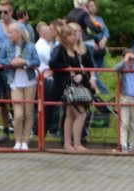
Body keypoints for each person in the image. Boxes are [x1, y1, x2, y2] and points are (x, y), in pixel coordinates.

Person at [50, 21, 96, 152]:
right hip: (65, 86)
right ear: (65, 37)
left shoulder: (75, 51)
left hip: (74, 85)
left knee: (71, 115)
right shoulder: (60, 49)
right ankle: (76, 144)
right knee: (81, 114)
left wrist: (80, 73)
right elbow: (53, 63)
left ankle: (68, 144)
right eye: (71, 35)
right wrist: (67, 69)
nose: (74, 37)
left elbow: (81, 66)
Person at [0, 22, 38, 150]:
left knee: (28, 113)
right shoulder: (6, 45)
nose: (8, 35)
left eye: (11, 32)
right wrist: (11, 62)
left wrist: (25, 62)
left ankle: (25, 141)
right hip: (14, 81)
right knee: (18, 114)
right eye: (8, 32)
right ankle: (18, 140)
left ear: (19, 33)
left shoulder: (30, 46)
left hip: (29, 81)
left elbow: (37, 61)